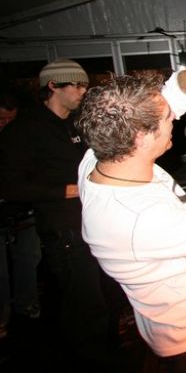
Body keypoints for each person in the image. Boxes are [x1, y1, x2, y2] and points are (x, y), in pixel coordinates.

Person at [75, 67, 186, 371]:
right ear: (142, 137)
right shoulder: (140, 219)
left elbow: (179, 84)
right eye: (168, 118)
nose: (175, 118)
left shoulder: (99, 155)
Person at [0, 58, 121, 368]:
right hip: (65, 232)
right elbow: (11, 187)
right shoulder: (24, 130)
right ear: (52, 86)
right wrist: (71, 189)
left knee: (109, 299)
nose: (83, 91)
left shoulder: (77, 123)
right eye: (77, 86)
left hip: (99, 226)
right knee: (85, 307)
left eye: (84, 85)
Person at [0, 92, 41, 339]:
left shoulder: (19, 138)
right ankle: (2, 315)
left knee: (29, 257)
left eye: (10, 119)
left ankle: (26, 303)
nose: (6, 124)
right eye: (1, 119)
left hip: (22, 208)